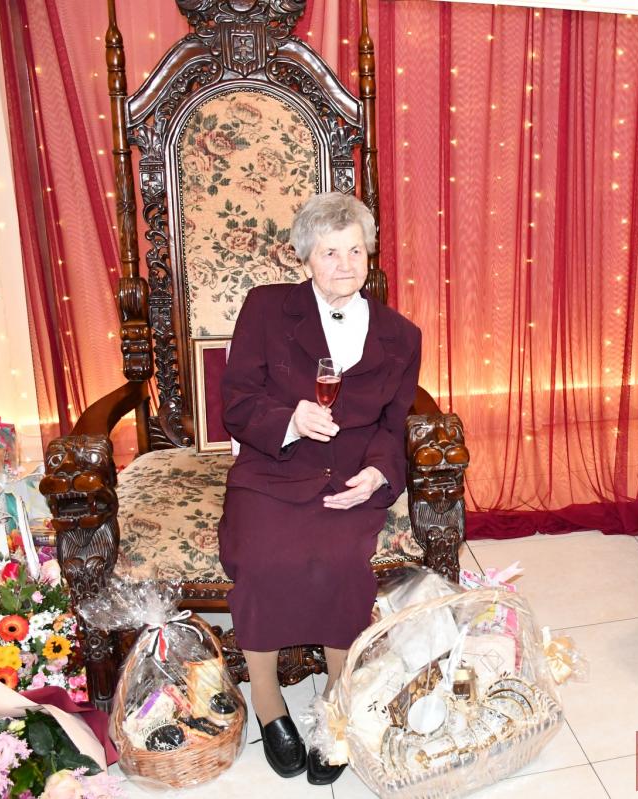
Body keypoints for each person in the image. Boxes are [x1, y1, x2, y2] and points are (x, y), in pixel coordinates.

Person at [218, 192, 421, 783]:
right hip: (272, 467)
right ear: (305, 257)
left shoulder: (401, 335)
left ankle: (337, 700)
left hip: (350, 475)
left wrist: (379, 474)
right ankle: (267, 699)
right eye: (330, 252)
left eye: (355, 250)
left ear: (369, 255)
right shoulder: (266, 309)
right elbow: (237, 400)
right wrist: (289, 419)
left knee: (338, 563)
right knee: (261, 559)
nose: (345, 264)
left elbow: (394, 425)